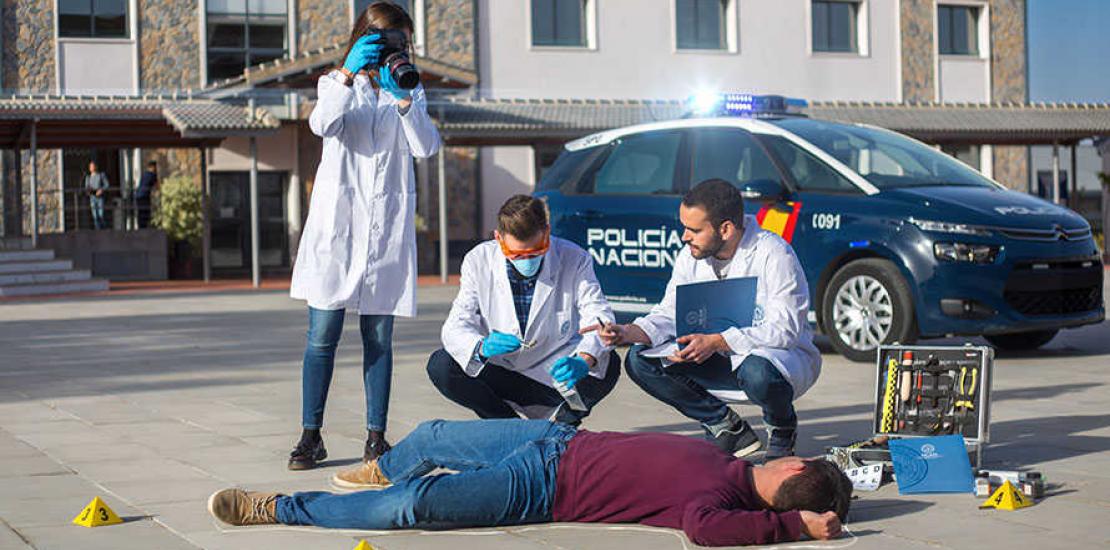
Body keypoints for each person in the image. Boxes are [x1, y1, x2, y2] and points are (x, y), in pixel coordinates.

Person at [208, 419, 851, 546]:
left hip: (539, 487)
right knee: (431, 436)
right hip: (553, 436)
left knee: (409, 508)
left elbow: (705, 532)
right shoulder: (726, 461)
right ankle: (383, 465)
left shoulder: (718, 500)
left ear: (794, 469)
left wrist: (793, 526)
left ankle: (279, 508)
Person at [286, 1, 440, 471]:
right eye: (389, 40)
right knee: (322, 337)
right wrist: (348, 74)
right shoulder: (336, 84)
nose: (398, 49)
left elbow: (426, 147)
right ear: (365, 39)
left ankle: (376, 436)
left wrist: (404, 100)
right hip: (337, 233)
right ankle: (310, 436)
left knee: (379, 339)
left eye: (403, 42)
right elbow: (321, 124)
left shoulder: (408, 87)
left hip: (383, 235)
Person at [586, 179, 821, 460]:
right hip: (714, 355)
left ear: (726, 229)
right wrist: (628, 331)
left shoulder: (774, 253)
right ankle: (725, 426)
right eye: (684, 227)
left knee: (757, 372)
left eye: (694, 230)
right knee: (639, 360)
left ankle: (781, 426)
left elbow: (786, 330)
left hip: (774, 361)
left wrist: (718, 341)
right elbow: (669, 312)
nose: (684, 237)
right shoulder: (691, 256)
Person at [420, 196, 617, 425]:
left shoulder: (575, 258)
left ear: (547, 232)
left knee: (608, 362)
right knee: (442, 366)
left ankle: (561, 426)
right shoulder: (478, 260)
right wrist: (481, 347)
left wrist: (584, 359)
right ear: (498, 238)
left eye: (536, 252)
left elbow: (598, 316)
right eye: (516, 255)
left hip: (553, 374)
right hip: (502, 372)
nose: (526, 261)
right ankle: (510, 427)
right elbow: (455, 326)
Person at [84, 161, 109, 230]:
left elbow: (107, 185)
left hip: (100, 198)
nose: (92, 168)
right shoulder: (88, 177)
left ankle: (104, 229)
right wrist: (89, 191)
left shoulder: (101, 175)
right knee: (95, 216)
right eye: (90, 167)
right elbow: (86, 188)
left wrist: (101, 190)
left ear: (96, 167)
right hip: (92, 198)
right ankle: (97, 230)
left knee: (101, 215)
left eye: (93, 166)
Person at [134, 161, 158, 229]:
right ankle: (144, 227)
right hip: (144, 196)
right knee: (146, 212)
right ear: (153, 167)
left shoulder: (144, 174)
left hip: (139, 195)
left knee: (141, 212)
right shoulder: (152, 175)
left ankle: (141, 227)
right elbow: (157, 186)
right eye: (155, 167)